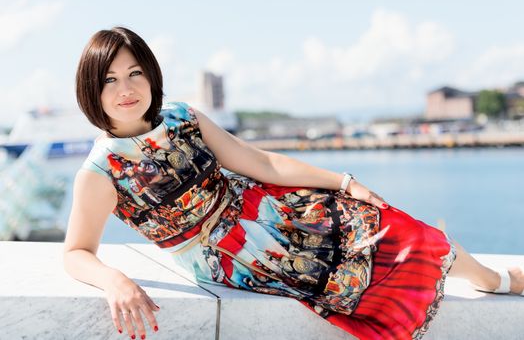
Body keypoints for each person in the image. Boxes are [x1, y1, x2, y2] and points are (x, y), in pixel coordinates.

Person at [63, 26, 524, 340]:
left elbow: (258, 161)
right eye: (110, 80)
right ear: (92, 91)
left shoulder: (182, 116)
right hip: (225, 254)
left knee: (381, 220)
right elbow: (76, 252)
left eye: (135, 73)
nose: (126, 89)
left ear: (151, 75)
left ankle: (489, 278)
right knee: (344, 280)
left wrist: (345, 182)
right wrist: (114, 281)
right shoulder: (101, 170)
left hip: (264, 206)